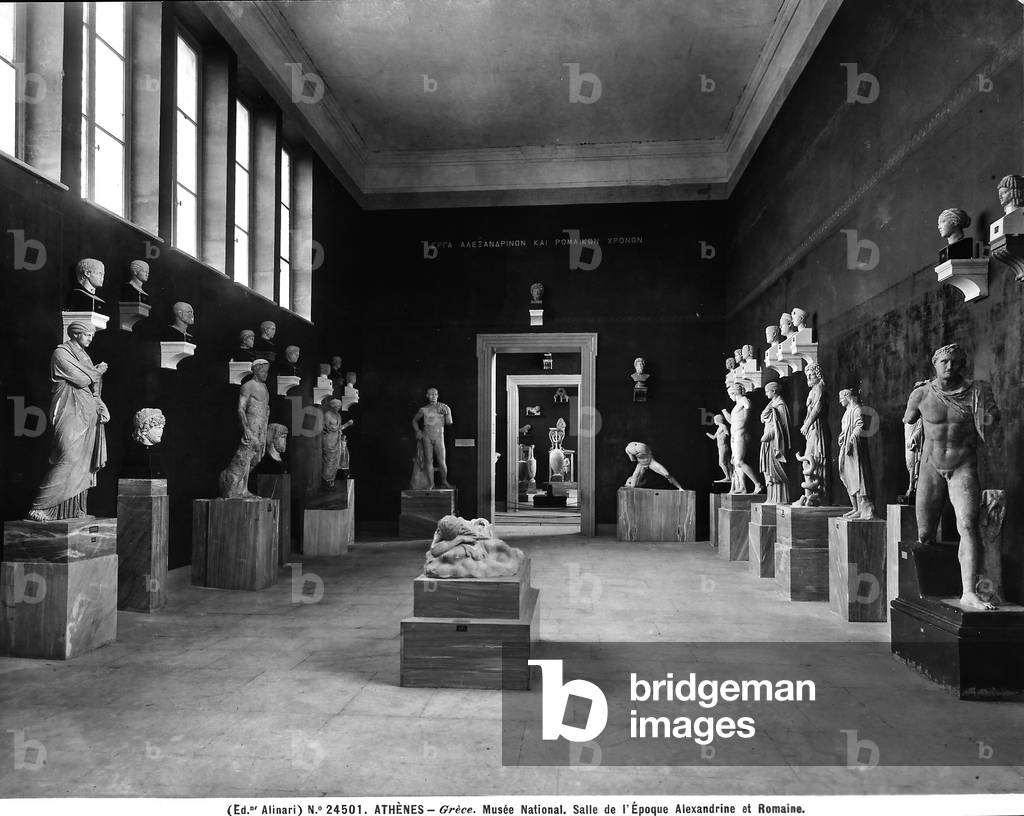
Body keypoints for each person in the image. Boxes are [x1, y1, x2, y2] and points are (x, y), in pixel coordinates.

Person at [903, 343, 1000, 610]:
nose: (949, 366)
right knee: (925, 534)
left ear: (962, 365)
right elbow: (908, 422)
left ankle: (968, 591)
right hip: (930, 466)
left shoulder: (977, 392)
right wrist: (911, 466)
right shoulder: (921, 394)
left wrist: (987, 412)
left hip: (962, 465)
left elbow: (993, 424)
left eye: (955, 361)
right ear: (934, 364)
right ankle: (928, 589)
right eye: (944, 361)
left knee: (967, 525)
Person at [27, 322, 110, 520]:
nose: (90, 339)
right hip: (68, 410)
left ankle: (73, 510)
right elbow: (82, 380)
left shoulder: (84, 356)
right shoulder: (61, 354)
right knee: (68, 457)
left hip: (87, 413)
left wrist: (99, 404)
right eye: (87, 335)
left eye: (92, 335)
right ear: (75, 334)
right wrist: (98, 371)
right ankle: (40, 507)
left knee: (83, 463)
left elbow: (93, 386)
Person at [218, 359, 271, 498]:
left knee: (256, 457)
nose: (265, 375)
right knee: (245, 456)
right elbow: (241, 409)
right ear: (255, 370)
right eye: (263, 371)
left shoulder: (264, 387)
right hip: (251, 424)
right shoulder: (248, 386)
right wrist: (246, 429)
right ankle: (236, 486)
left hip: (262, 426)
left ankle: (243, 488)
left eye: (267, 372)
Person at [837, 389, 877, 519]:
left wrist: (851, 439)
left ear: (847, 396)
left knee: (857, 477)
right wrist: (842, 437)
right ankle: (855, 508)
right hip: (846, 448)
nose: (840, 401)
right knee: (846, 476)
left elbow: (859, 426)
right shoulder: (846, 412)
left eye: (841, 398)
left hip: (855, 449)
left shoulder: (857, 410)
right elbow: (844, 429)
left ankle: (862, 509)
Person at [794, 363, 828, 506]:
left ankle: (816, 495)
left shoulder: (819, 388)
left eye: (811, 375)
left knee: (814, 457)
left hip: (816, 428)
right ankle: (809, 494)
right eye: (807, 375)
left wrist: (807, 424)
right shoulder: (813, 390)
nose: (808, 378)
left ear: (818, 375)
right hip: (811, 430)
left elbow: (817, 408)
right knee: (809, 459)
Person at [722, 383, 763, 494]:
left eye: (730, 394)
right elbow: (732, 421)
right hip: (735, 434)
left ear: (734, 392)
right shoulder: (736, 406)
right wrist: (724, 412)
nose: (730, 397)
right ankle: (742, 487)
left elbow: (748, 406)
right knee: (736, 463)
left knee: (739, 461)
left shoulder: (743, 400)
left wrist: (745, 421)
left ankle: (758, 484)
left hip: (741, 433)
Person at [411, 387, 453, 489]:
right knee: (428, 461)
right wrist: (418, 431)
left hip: (439, 437)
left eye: (435, 394)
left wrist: (447, 413)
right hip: (426, 437)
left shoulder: (444, 407)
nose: (433, 396)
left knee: (442, 461)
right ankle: (431, 483)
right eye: (430, 394)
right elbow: (414, 421)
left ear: (437, 395)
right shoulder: (423, 409)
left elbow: (449, 422)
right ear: (427, 396)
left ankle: (444, 481)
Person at [759, 381, 791, 504]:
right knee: (768, 469)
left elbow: (782, 426)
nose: (766, 394)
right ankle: (771, 497)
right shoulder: (772, 403)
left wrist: (770, 435)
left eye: (767, 391)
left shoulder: (780, 404)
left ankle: (780, 499)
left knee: (776, 469)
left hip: (776, 442)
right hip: (769, 441)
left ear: (773, 391)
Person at [705, 414, 731, 483]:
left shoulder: (723, 426)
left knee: (722, 463)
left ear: (718, 420)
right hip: (721, 447)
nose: (714, 422)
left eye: (715, 420)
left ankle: (728, 477)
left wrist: (724, 438)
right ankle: (729, 477)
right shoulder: (719, 428)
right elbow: (713, 437)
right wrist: (706, 433)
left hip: (724, 446)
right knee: (726, 462)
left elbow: (727, 434)